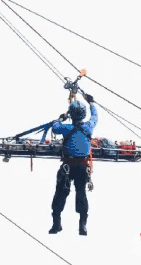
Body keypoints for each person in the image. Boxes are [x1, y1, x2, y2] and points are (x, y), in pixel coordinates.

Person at [49, 94, 97, 236]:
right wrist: (91, 103)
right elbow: (95, 116)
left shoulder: (66, 128)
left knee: (60, 193)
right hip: (82, 167)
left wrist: (61, 118)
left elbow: (55, 127)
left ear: (72, 114)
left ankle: (56, 225)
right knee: (81, 193)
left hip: (67, 167)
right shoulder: (89, 127)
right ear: (83, 115)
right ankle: (82, 226)